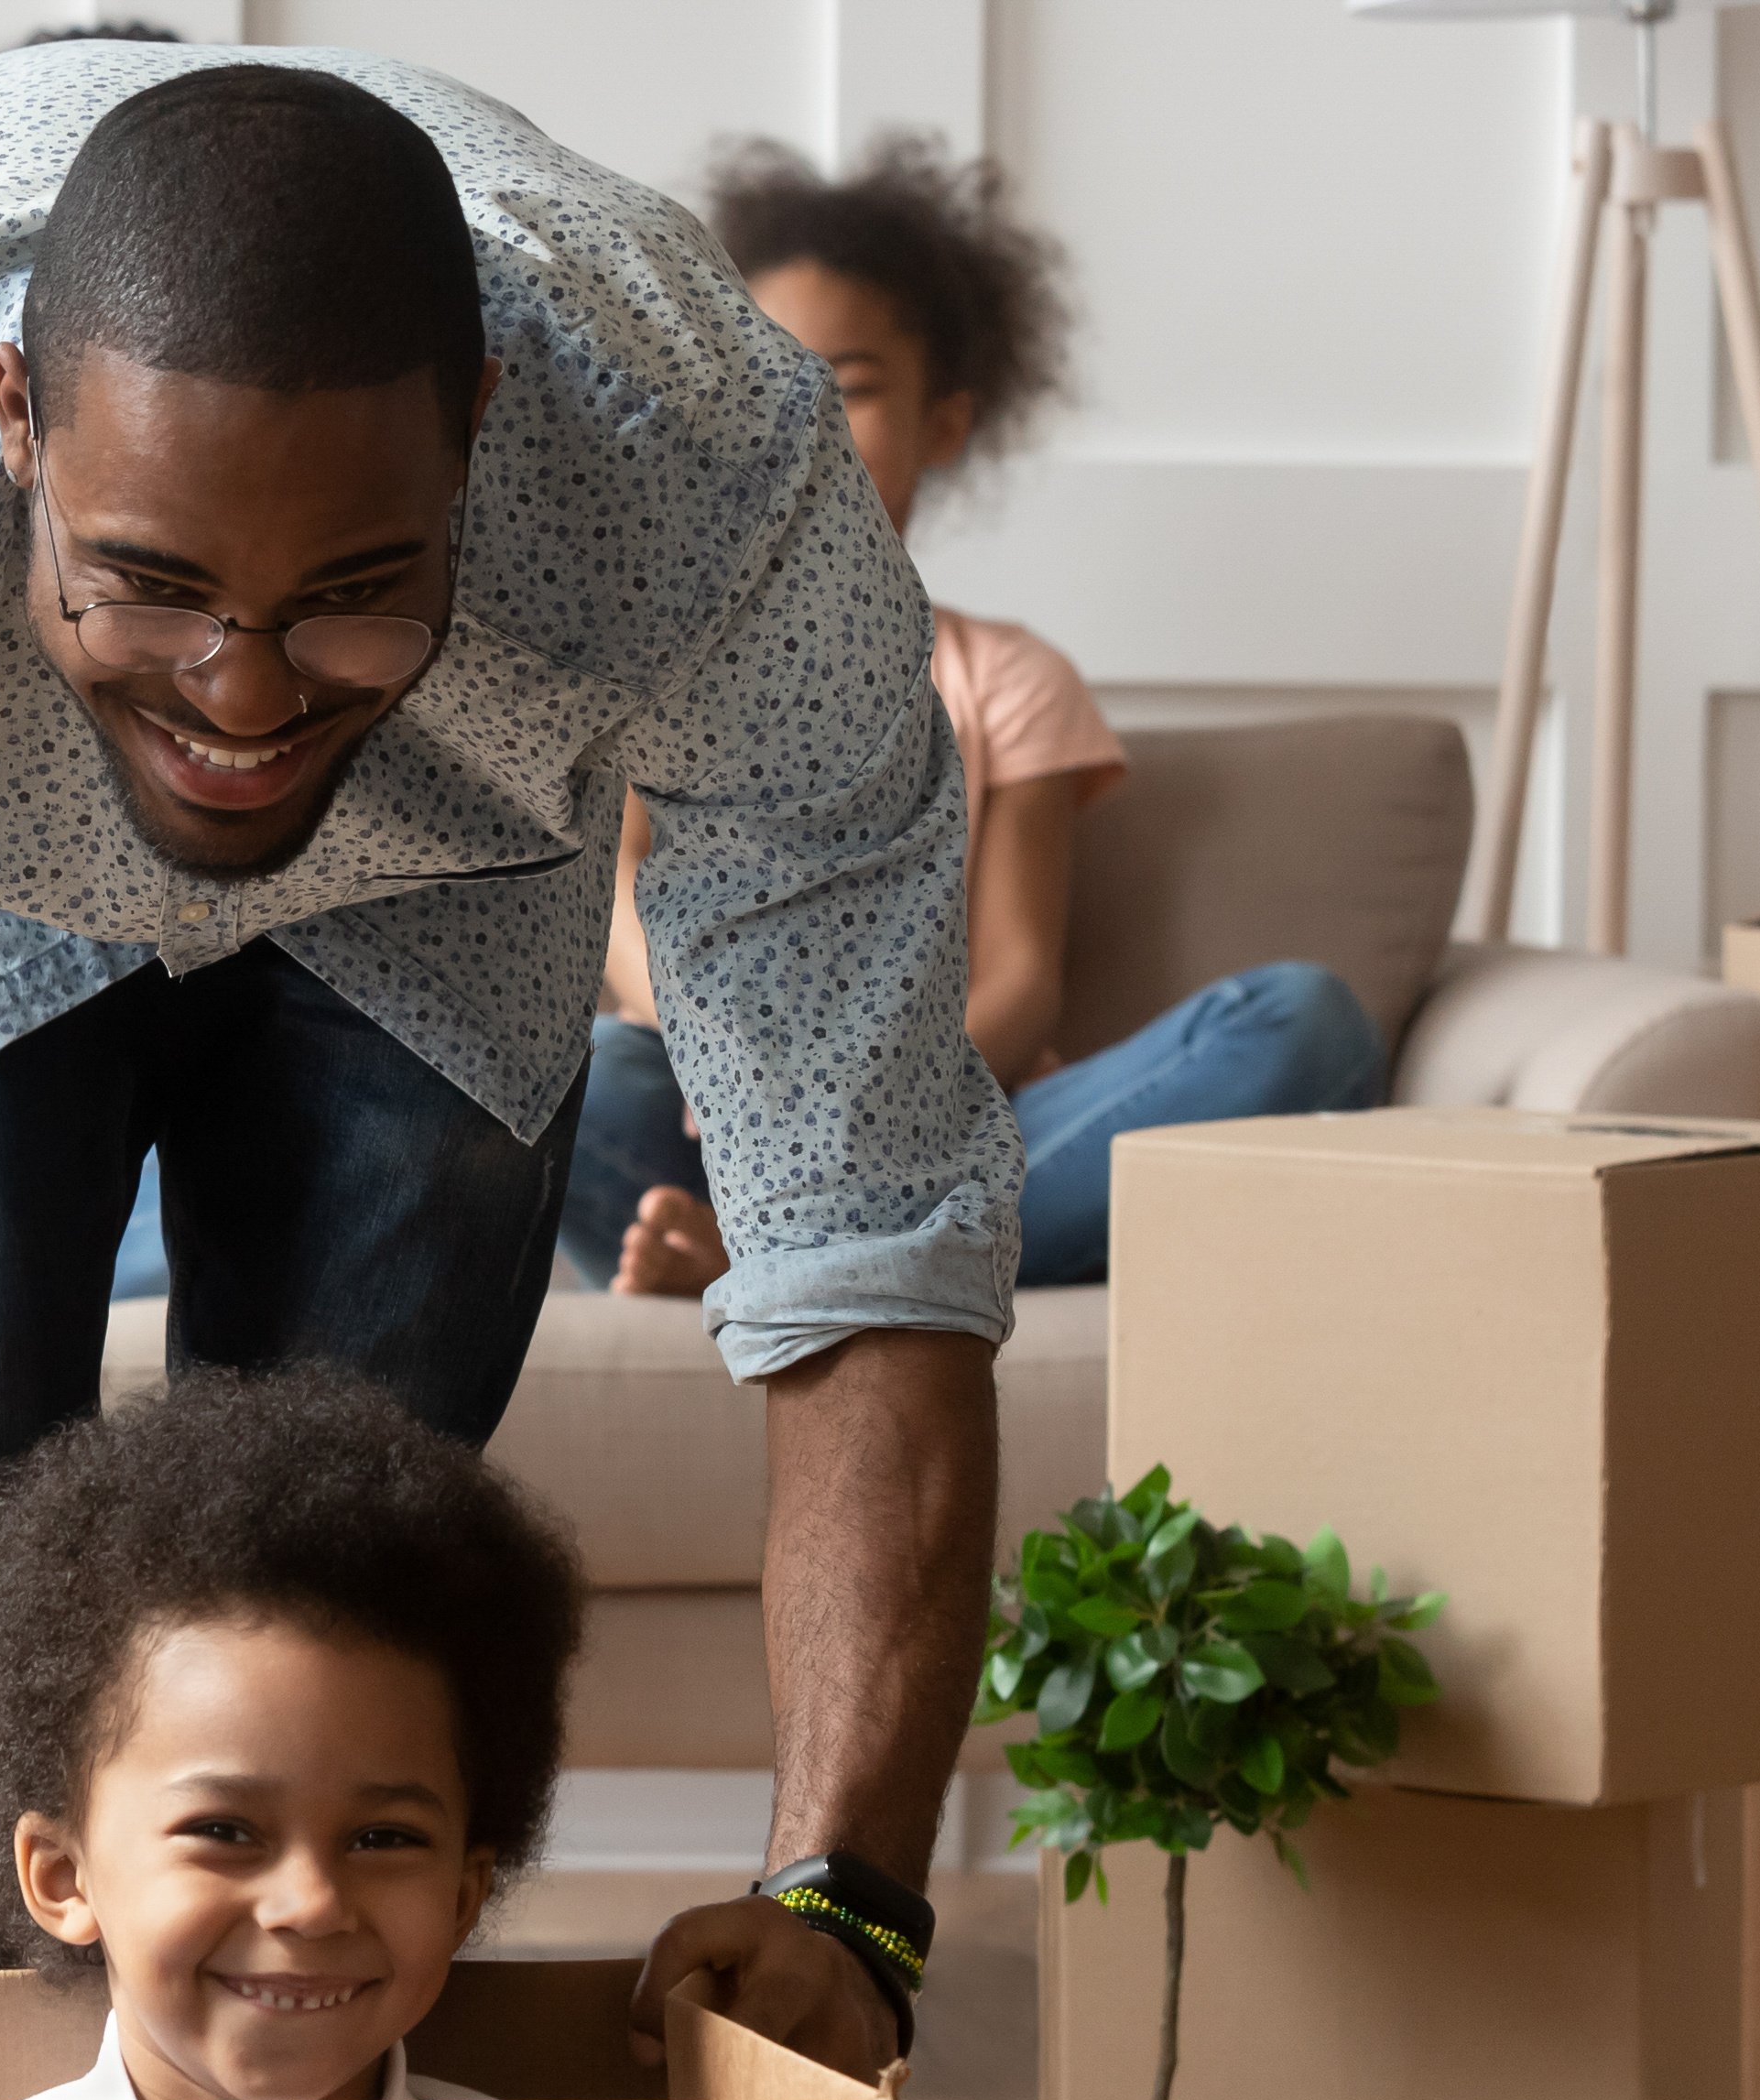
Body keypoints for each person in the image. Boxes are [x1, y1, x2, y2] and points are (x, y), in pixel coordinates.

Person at [0, 46, 1009, 2100]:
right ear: (11, 422)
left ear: (477, 441)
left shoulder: (716, 496)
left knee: (335, 1613)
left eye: (352, 586)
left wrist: (848, 1896)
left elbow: (871, 1241)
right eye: (147, 580)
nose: (242, 691)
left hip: (444, 890)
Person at [581, 137, 1387, 1303]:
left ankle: (782, 1265)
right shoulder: (660, 665)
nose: (805, 422)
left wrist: (855, 1113)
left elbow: (1019, 981)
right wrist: (745, 1070)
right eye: (767, 377)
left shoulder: (1010, 678)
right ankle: (825, 1262)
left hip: (961, 1140)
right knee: (594, 1071)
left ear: (944, 424)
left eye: (850, 387)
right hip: (712, 1114)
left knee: (1304, 1022)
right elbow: (618, 912)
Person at [0, 1363, 581, 2100]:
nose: (310, 1904)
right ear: (60, 1876)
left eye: (384, 1839)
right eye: (223, 1830)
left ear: (464, 1896)